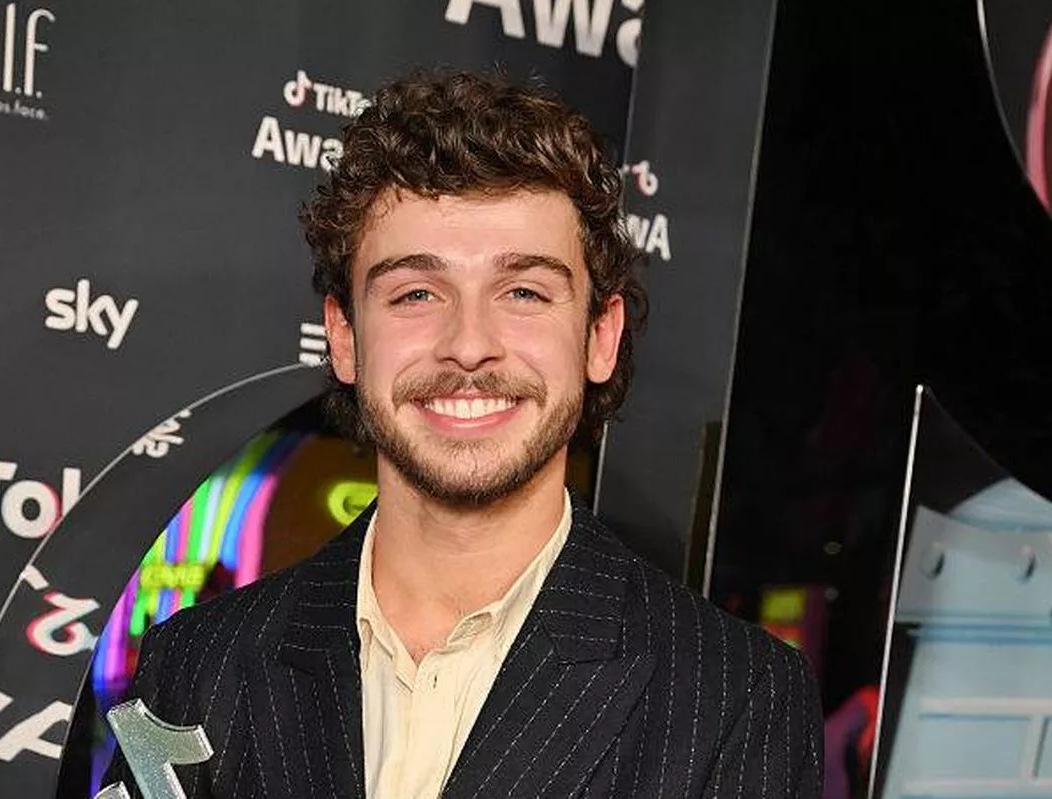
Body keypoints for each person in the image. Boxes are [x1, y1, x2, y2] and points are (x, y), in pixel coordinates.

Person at [103, 71, 823, 798]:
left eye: (523, 292)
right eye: (416, 292)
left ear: (599, 337)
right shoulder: (198, 662)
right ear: (345, 336)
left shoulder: (734, 696)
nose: (470, 345)